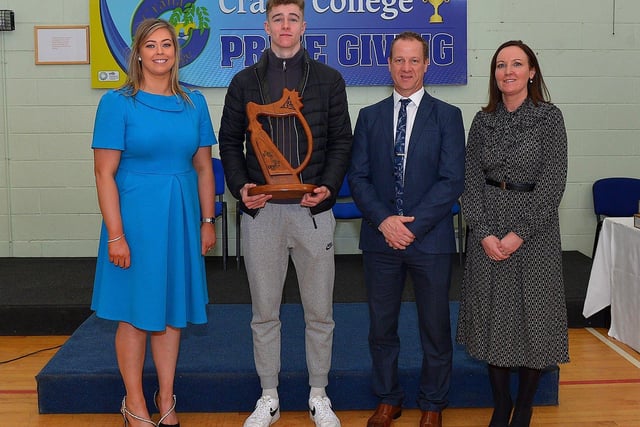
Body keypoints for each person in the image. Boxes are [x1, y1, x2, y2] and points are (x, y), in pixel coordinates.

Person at [218, 0, 352, 426]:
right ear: (267, 26)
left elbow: (340, 143)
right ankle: (269, 397)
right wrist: (242, 189)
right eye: (279, 18)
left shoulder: (329, 80)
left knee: (320, 312)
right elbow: (229, 144)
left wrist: (327, 188)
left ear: (304, 26)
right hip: (263, 216)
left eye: (293, 18)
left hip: (313, 214)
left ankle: (319, 394)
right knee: (264, 313)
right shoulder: (244, 83)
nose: (286, 25)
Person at [91, 18, 217, 427]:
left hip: (180, 218)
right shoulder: (117, 103)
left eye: (167, 44)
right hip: (135, 221)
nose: (160, 51)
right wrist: (116, 235)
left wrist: (207, 219)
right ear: (138, 52)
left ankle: (166, 398)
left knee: (170, 312)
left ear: (176, 52)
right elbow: (103, 173)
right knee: (135, 313)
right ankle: (134, 403)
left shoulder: (194, 104)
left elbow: (202, 168)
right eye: (151, 45)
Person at [349, 32, 465, 427]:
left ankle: (432, 404)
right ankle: (388, 398)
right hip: (380, 240)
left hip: (429, 240)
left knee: (435, 326)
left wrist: (412, 226)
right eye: (399, 60)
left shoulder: (448, 116)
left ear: (427, 64)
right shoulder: (369, 116)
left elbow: (452, 180)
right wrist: (385, 221)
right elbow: (358, 177)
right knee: (382, 327)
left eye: (414, 60)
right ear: (389, 64)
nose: (406, 67)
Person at [455, 40, 569, 427]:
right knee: (492, 319)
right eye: (501, 65)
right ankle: (501, 403)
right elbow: (468, 181)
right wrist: (484, 233)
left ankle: (524, 406)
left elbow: (553, 184)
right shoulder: (482, 120)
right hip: (487, 224)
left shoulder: (549, 118)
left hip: (534, 232)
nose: (508, 71)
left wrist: (519, 233)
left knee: (532, 319)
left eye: (517, 64)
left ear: (531, 72)